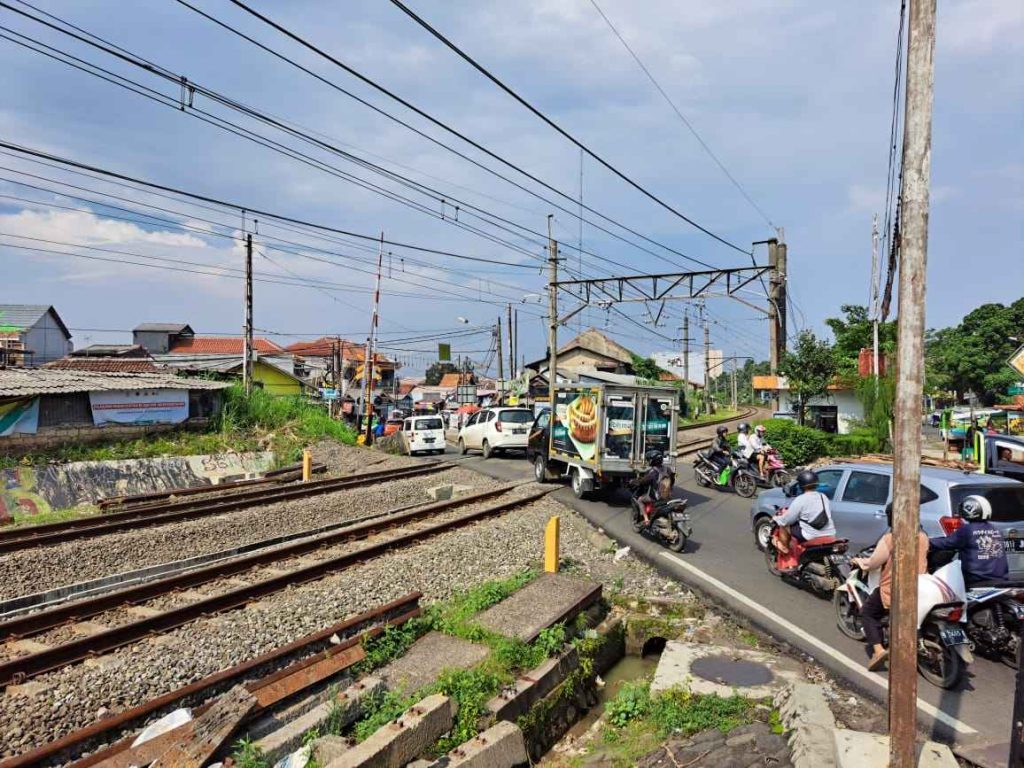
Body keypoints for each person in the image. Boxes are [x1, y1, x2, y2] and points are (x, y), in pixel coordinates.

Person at [850, 503, 930, 671]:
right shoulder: (923, 537)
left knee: (868, 613)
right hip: (920, 585)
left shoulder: (890, 539)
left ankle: (878, 650)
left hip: (895, 587)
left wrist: (859, 561)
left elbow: (874, 562)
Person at [929, 494, 1008, 587]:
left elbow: (946, 543)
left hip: (976, 582)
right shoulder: (996, 529)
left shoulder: (967, 529)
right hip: (1001, 580)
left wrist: (926, 540)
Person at [771, 469, 836, 555]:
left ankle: (785, 551)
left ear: (801, 485)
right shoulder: (823, 497)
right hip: (830, 533)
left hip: (811, 535)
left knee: (783, 526)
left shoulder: (800, 499)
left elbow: (787, 520)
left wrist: (776, 518)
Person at [630, 452, 673, 526]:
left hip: (657, 497)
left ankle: (646, 519)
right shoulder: (668, 469)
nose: (648, 461)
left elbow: (642, 482)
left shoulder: (653, 472)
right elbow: (672, 481)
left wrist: (633, 481)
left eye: (649, 460)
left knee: (640, 500)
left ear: (652, 461)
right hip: (668, 496)